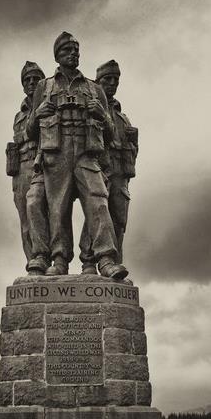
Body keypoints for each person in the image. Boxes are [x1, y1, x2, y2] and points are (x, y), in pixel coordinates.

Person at [25, 32, 127, 279]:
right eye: (66, 51)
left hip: (86, 154)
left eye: (76, 51)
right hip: (56, 154)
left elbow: (112, 133)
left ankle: (105, 259)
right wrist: (38, 113)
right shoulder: (44, 86)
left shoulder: (94, 88)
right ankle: (59, 260)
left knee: (98, 201)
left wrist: (102, 114)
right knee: (57, 209)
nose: (72, 55)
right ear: (57, 56)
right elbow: (30, 132)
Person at [79, 59, 138, 272]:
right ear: (98, 82)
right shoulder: (91, 107)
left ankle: (115, 262)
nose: (112, 83)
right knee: (97, 212)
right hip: (100, 167)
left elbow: (131, 151)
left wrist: (135, 140)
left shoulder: (123, 117)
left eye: (115, 79)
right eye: (107, 79)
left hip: (121, 173)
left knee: (119, 219)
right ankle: (88, 260)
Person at [5, 61, 49, 272]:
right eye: (27, 80)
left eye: (35, 79)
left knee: (43, 212)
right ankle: (34, 263)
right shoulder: (20, 114)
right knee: (25, 219)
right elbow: (20, 137)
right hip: (22, 166)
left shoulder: (50, 105)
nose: (31, 83)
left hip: (45, 164)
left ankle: (47, 259)